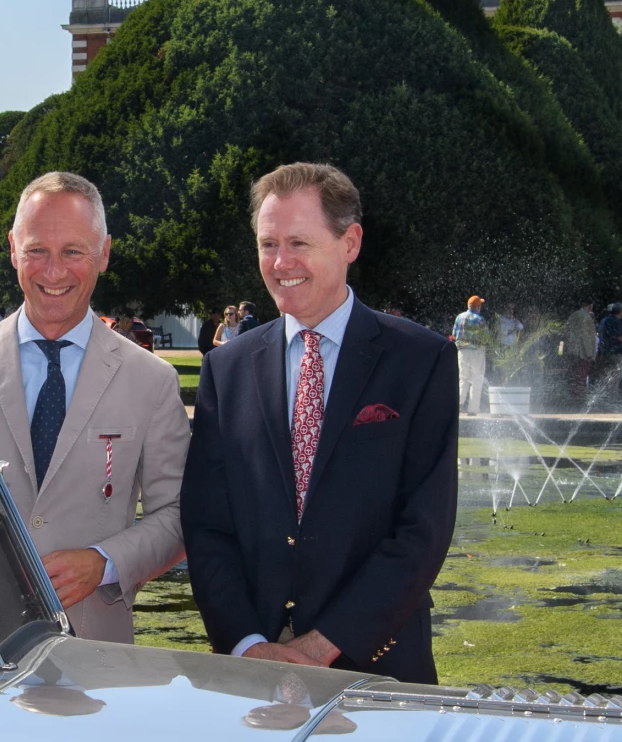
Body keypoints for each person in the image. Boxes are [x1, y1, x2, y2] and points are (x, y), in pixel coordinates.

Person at [183, 162, 456, 682]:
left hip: (378, 668)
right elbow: (207, 525)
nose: (280, 262)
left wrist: (324, 644)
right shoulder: (228, 368)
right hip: (251, 675)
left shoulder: (421, 361)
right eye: (268, 244)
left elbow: (424, 530)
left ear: (349, 242)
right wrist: (245, 644)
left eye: (299, 243)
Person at [0, 172, 190, 644]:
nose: (53, 272)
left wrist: (106, 562)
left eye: (73, 252)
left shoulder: (151, 381)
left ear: (104, 253)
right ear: (14, 248)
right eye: (37, 250)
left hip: (94, 656)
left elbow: (178, 515)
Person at [452, 296, 491, 416]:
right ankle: (473, 409)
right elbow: (486, 337)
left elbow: (454, 334)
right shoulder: (480, 319)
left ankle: (457, 406)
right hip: (477, 352)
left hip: (462, 352)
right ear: (478, 306)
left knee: (463, 379)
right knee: (476, 380)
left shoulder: (460, 317)